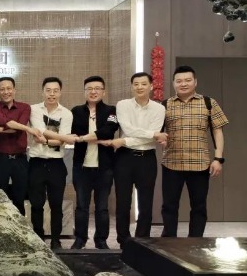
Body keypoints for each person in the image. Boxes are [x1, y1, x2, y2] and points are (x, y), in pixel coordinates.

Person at [161, 65, 229, 238]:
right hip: (171, 164)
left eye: (188, 80)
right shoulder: (165, 105)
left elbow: (218, 131)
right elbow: (157, 132)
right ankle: (169, 242)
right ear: (174, 83)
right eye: (179, 81)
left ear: (195, 82)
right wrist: (161, 138)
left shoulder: (208, 102)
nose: (183, 84)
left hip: (200, 164)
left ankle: (195, 242)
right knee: (169, 206)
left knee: (199, 207)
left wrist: (218, 159)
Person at [106, 72, 166, 248]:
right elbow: (128, 129)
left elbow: (148, 137)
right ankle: (123, 241)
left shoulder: (159, 109)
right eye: (136, 84)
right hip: (124, 158)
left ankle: (142, 241)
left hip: (147, 159)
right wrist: (152, 134)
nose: (140, 87)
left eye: (143, 84)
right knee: (123, 203)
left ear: (151, 86)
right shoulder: (123, 105)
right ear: (132, 86)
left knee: (145, 204)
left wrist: (124, 141)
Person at [70, 76, 119, 249]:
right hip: (81, 167)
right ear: (84, 91)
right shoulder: (76, 111)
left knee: (102, 207)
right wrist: (87, 138)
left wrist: (84, 138)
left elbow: (109, 131)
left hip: (104, 167)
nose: (93, 91)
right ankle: (80, 239)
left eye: (97, 88)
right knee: (81, 206)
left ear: (103, 92)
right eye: (89, 88)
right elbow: (73, 133)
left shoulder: (112, 110)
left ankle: (101, 240)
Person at [28, 77, 76, 249]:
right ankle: (38, 238)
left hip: (56, 164)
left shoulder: (66, 113)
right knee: (36, 204)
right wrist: (62, 138)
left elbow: (60, 141)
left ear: (60, 92)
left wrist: (48, 140)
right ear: (42, 91)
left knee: (56, 204)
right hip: (36, 163)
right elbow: (41, 130)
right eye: (48, 90)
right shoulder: (34, 109)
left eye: (55, 90)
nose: (52, 94)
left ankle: (56, 239)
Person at [0, 76, 40, 215]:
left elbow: (17, 127)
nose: (6, 92)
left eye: (9, 88)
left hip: (20, 159)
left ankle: (19, 228)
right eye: (2, 89)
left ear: (14, 90)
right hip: (1, 159)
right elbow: (4, 122)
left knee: (19, 198)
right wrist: (28, 129)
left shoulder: (25, 107)